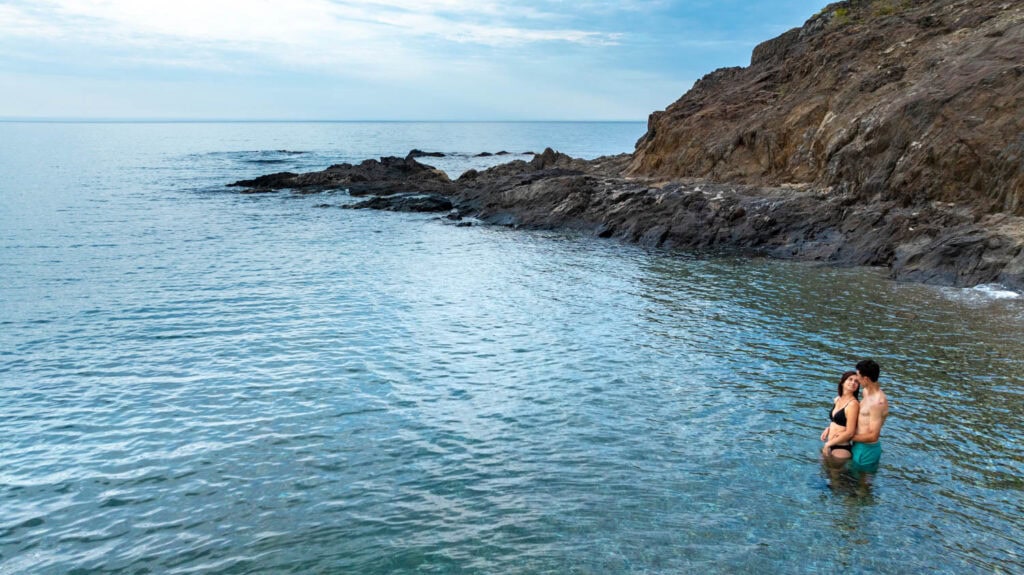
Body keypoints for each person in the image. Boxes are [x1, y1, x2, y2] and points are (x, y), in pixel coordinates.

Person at [850, 359, 889, 471]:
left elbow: (873, 436)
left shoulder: (878, 403)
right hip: (858, 445)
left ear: (865, 379)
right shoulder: (865, 391)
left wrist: (847, 436)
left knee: (862, 486)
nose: (856, 379)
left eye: (858, 376)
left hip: (867, 450)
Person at [821, 371, 860, 459]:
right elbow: (838, 421)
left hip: (841, 448)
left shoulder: (853, 404)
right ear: (842, 382)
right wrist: (829, 428)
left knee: (834, 472)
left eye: (856, 381)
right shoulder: (838, 399)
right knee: (823, 471)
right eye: (850, 379)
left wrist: (828, 444)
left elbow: (850, 432)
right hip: (831, 443)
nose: (853, 382)